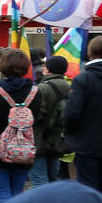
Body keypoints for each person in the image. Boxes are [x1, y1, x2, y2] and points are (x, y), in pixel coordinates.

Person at [0, 48, 41, 203]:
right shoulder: (36, 92)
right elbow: (36, 118)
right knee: (17, 194)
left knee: (2, 195)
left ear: (2, 66)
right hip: (24, 149)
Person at [63, 35, 102, 195]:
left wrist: (70, 133)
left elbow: (72, 112)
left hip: (86, 142)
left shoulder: (83, 79)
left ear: (90, 52)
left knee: (88, 189)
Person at [29, 54, 72, 187]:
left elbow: (36, 116)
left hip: (40, 139)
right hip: (58, 140)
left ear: (48, 69)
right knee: (54, 178)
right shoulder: (70, 86)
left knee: (39, 178)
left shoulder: (43, 88)